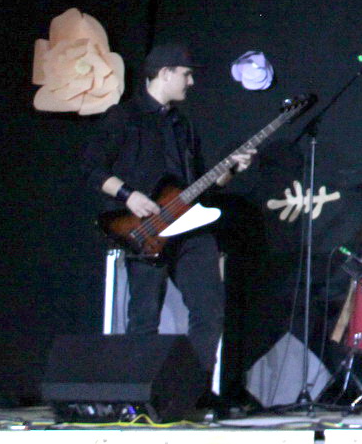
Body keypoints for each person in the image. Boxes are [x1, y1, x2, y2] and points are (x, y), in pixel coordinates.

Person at [79, 43, 254, 374]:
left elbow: (199, 184)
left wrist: (229, 171)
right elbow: (91, 169)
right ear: (165, 73)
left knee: (209, 311)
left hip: (188, 228)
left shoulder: (182, 125)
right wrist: (128, 195)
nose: (191, 82)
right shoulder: (123, 117)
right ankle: (141, 389)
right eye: (186, 75)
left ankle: (194, 388)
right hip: (145, 229)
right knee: (144, 317)